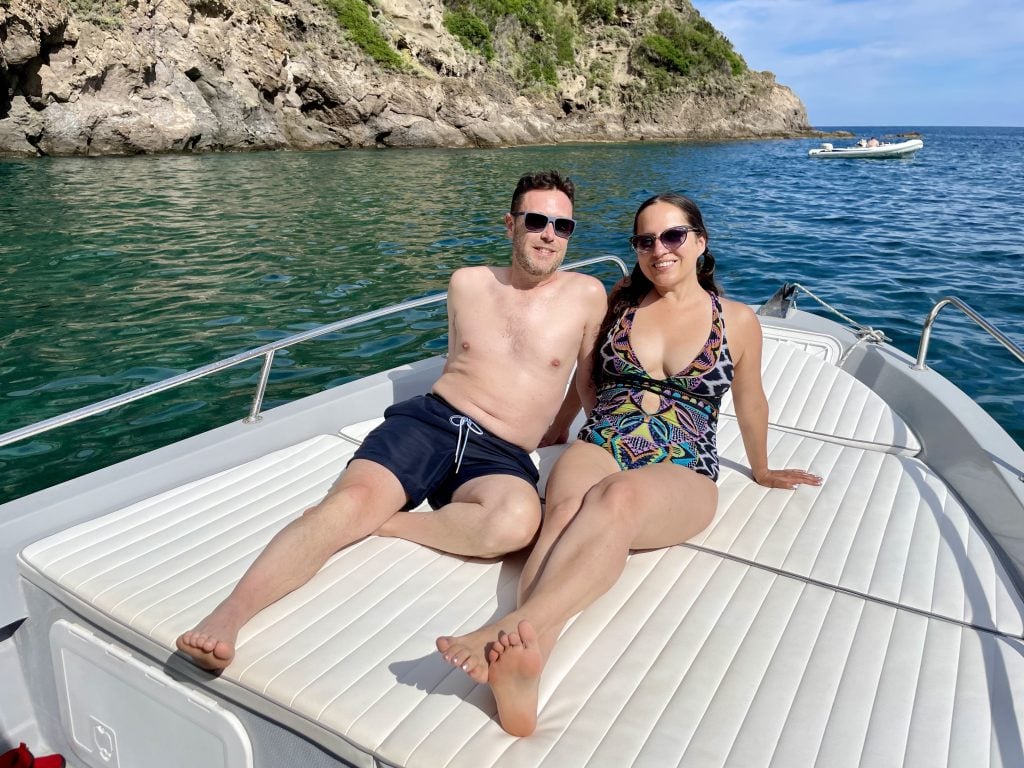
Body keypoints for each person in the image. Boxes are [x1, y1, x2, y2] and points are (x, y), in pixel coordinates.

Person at [176, 170, 608, 671]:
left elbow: (587, 379)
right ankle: (229, 615)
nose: (550, 235)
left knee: (515, 523)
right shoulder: (467, 283)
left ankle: (391, 524)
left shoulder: (587, 295)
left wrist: (568, 428)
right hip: (431, 422)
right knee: (347, 503)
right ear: (511, 225)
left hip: (501, 451)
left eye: (563, 226)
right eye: (537, 221)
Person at [435, 192, 823, 736]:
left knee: (617, 501)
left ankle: (512, 627)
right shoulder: (619, 301)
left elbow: (750, 401)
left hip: (683, 459)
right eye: (645, 240)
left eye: (672, 236)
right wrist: (558, 427)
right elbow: (584, 373)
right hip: (604, 438)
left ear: (700, 241)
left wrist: (761, 468)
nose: (658, 250)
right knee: (563, 516)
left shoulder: (735, 320)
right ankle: (523, 666)